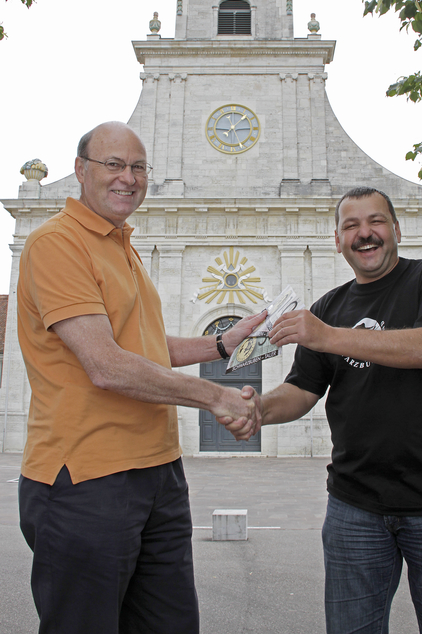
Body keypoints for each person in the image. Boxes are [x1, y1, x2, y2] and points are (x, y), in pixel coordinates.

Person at [17, 121, 265, 634]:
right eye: (113, 164)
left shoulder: (122, 244)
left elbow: (146, 346)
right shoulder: (56, 244)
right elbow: (106, 365)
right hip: (87, 478)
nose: (127, 177)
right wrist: (215, 396)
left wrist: (222, 342)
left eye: (137, 167)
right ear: (81, 171)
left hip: (159, 474)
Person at [222, 186, 422, 634]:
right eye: (351, 226)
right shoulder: (330, 306)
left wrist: (327, 336)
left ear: (397, 230)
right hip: (355, 508)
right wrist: (259, 409)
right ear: (338, 242)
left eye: (376, 221)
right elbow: (302, 390)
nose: (365, 233)